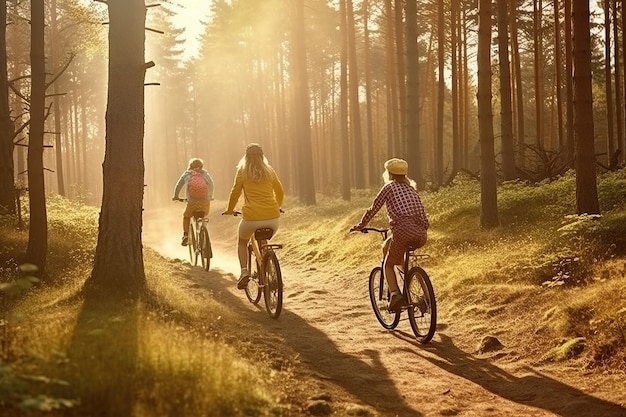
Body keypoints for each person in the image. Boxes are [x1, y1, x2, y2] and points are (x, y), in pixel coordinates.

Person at [350, 158, 429, 312]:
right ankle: (425, 295)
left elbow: (373, 208)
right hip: (421, 233)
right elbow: (423, 216)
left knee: (387, 264)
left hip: (402, 232)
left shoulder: (389, 187)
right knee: (390, 248)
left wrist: (361, 225)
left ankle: (395, 295)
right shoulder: (412, 189)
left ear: (389, 174)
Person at [222, 143, 284, 289]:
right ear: (262, 156)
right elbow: (280, 191)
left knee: (242, 242)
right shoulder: (270, 171)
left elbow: (235, 192)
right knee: (265, 241)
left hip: (251, 219)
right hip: (273, 219)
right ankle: (269, 268)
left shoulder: (242, 172)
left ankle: (244, 272)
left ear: (246, 157)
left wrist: (230, 209)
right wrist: (278, 206)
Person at [172, 158, 214, 246]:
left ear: (190, 166)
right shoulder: (204, 173)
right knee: (203, 216)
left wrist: (176, 196)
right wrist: (210, 195)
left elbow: (178, 185)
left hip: (192, 202)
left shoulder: (187, 174)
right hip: (205, 202)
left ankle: (186, 235)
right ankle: (203, 232)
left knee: (186, 217)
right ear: (201, 166)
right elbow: (211, 183)